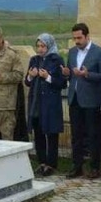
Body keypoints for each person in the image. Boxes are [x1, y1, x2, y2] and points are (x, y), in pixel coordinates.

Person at [64, 23, 101, 179]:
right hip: (75, 98)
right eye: (74, 38)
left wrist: (87, 74)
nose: (77, 41)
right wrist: (67, 73)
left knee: (93, 135)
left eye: (79, 38)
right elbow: (70, 75)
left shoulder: (99, 53)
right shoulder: (72, 52)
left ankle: (95, 167)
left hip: (91, 100)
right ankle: (77, 166)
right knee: (76, 135)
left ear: (87, 36)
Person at [25, 33, 66, 176]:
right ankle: (41, 162)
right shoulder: (34, 60)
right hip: (36, 103)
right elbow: (27, 81)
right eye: (38, 46)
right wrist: (31, 75)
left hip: (50, 104)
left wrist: (47, 77)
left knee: (51, 135)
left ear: (49, 46)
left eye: (43, 46)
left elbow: (62, 83)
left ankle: (51, 164)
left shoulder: (56, 59)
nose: (40, 49)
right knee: (39, 135)